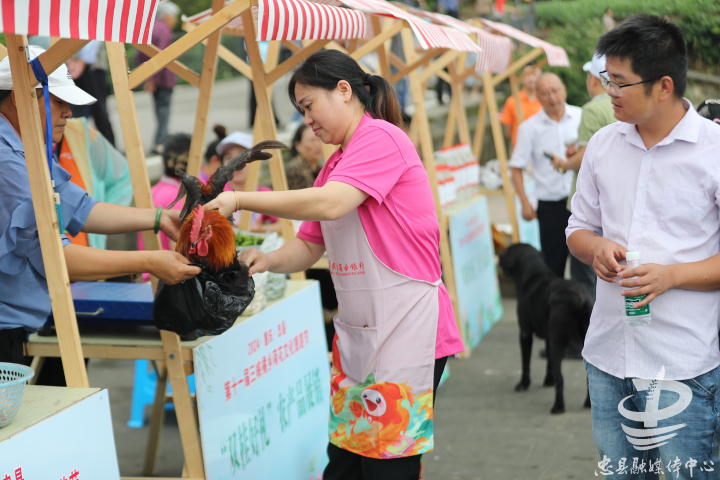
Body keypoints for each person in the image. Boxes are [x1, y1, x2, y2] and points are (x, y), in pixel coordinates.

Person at [203, 49, 464, 479]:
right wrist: (265, 259)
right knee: (344, 463)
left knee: (386, 467)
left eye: (309, 105)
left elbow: (331, 204)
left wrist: (239, 197)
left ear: (344, 90)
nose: (307, 119)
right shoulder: (337, 164)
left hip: (408, 332)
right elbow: (309, 246)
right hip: (361, 338)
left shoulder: (382, 138)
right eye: (301, 111)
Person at [567, 15, 720, 478]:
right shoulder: (602, 146)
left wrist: (672, 275)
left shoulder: (713, 150)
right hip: (610, 355)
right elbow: (577, 228)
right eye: (605, 79)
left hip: (682, 363)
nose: (609, 91)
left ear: (664, 85)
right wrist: (594, 248)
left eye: (619, 82)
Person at [0, 47, 200, 372]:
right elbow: (55, 256)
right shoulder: (7, 162)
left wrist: (161, 217)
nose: (68, 113)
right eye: (59, 102)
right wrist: (149, 260)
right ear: (21, 97)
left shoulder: (28, 150)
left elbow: (81, 207)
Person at [550, 53, 617, 301]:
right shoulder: (625, 105)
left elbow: (586, 155)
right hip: (616, 200)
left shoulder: (591, 109)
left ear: (592, 79)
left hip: (591, 201)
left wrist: (564, 164)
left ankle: (583, 324)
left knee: (585, 277)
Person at [509, 73, 583, 280]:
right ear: (538, 97)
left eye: (555, 91)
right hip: (551, 208)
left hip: (582, 203)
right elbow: (516, 167)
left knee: (586, 269)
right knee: (552, 268)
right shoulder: (529, 128)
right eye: (545, 93)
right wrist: (524, 202)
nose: (552, 97)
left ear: (564, 90)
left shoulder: (581, 117)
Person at [286, 124, 338, 346]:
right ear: (297, 145)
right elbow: (316, 207)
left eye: (317, 140)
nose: (317, 145)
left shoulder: (318, 167)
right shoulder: (297, 170)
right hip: (305, 233)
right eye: (310, 141)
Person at [57, 117, 134, 249]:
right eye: (58, 102)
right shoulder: (15, 148)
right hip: (44, 263)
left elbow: (123, 177)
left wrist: (97, 219)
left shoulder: (79, 132)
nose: (68, 111)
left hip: (87, 258)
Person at [135, 1, 180, 155]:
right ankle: (160, 143)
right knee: (163, 111)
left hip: (154, 76)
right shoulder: (163, 30)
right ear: (166, 15)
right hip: (162, 78)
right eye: (174, 16)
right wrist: (152, 79)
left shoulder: (150, 28)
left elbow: (139, 54)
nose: (175, 20)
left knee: (160, 110)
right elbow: (159, 57)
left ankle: (161, 140)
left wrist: (146, 76)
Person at [216, 131, 281, 233]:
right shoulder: (215, 195)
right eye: (229, 158)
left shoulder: (264, 193)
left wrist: (263, 229)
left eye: (242, 157)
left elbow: (286, 224)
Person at [138, 133, 192, 252]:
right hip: (165, 268)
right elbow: (179, 250)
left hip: (147, 267)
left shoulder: (152, 190)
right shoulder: (179, 197)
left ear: (163, 161)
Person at [66, 41, 115, 146]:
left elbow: (94, 37)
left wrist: (80, 62)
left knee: (100, 113)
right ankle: (74, 152)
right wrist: (69, 61)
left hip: (93, 67)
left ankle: (110, 149)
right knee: (73, 114)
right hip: (72, 65)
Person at [500, 63, 542, 148]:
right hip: (519, 151)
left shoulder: (546, 100)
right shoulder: (512, 101)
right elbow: (508, 132)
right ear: (521, 77)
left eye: (534, 74)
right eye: (528, 74)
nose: (531, 78)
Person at [286, 124, 324, 191]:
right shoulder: (295, 169)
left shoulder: (319, 168)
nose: (317, 144)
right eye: (311, 140)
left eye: (319, 139)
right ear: (298, 145)